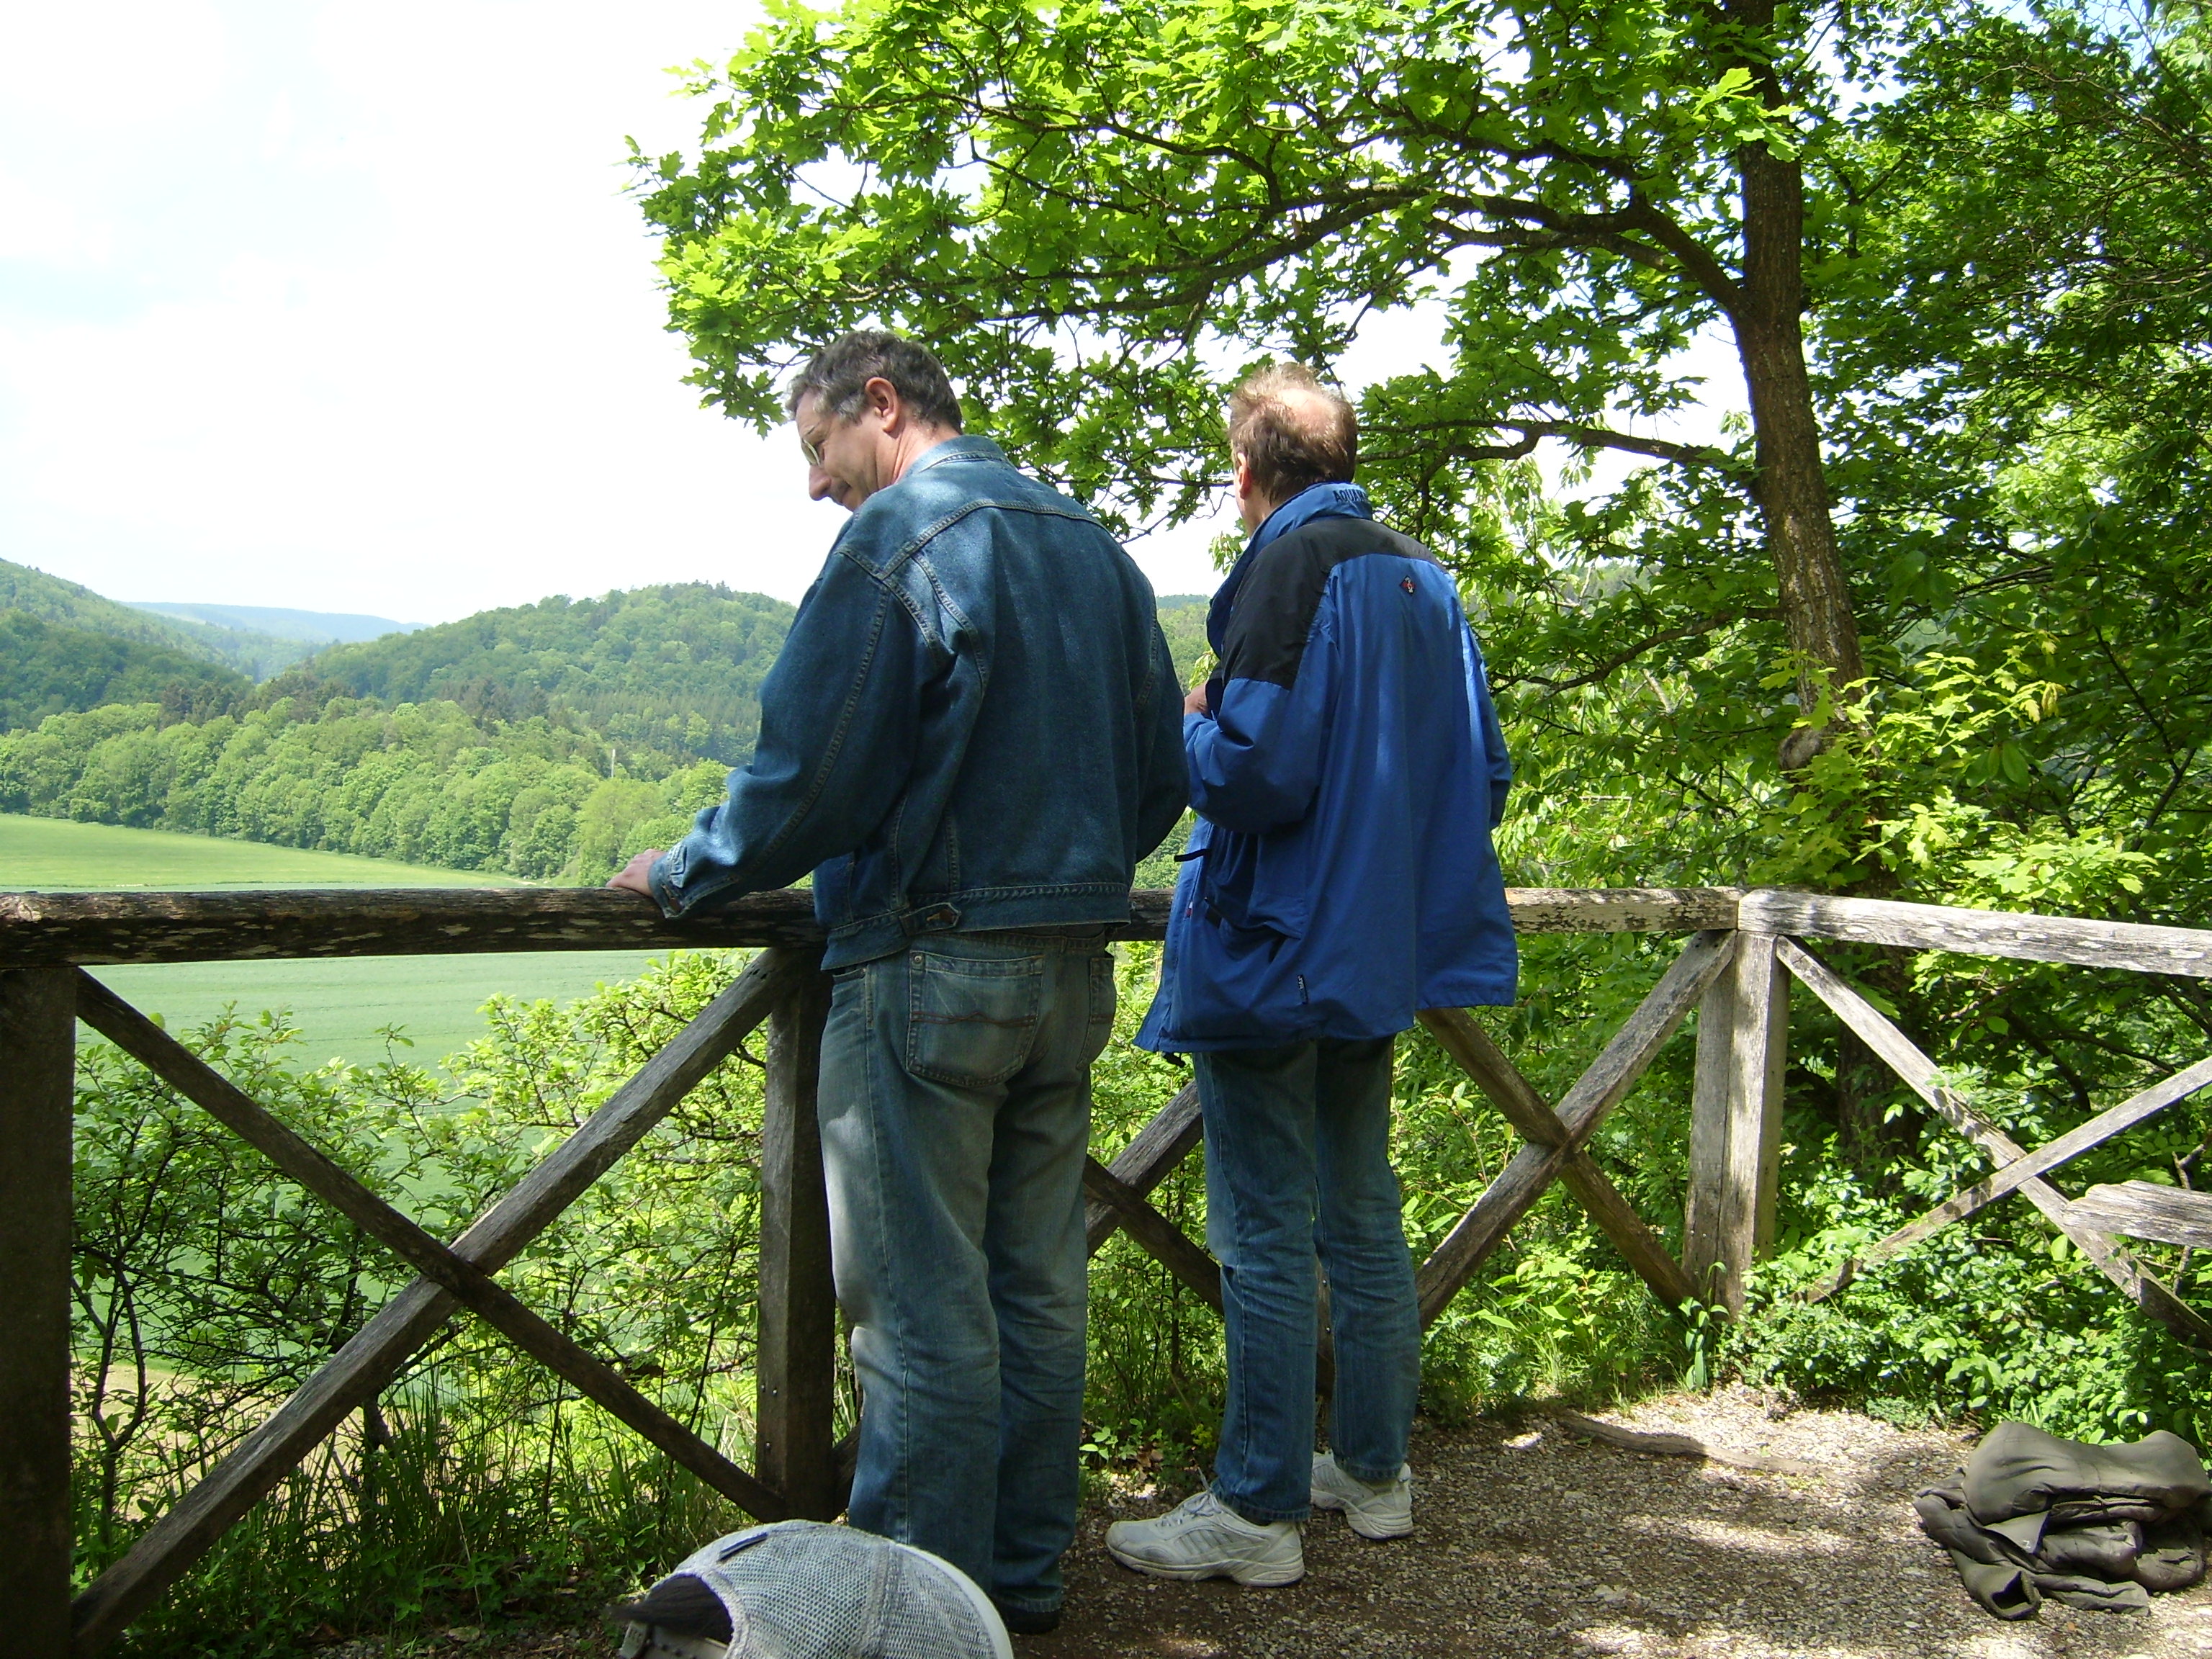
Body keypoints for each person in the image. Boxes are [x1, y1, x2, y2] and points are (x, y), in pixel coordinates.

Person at [608, 331, 1187, 1632]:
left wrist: (687, 871)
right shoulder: (1097, 550)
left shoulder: (898, 539)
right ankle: (1015, 1590)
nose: (814, 482)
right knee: (1037, 1291)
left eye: (818, 447)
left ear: (881, 405)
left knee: (919, 1316)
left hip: (927, 964)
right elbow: (1162, 772)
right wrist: (1069, 876)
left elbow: (810, 776)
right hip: (1070, 971)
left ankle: (914, 1624)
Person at [1105, 363, 1516, 1586]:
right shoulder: (1424, 577)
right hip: (1375, 949)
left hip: (1270, 948)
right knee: (1362, 1211)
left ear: (1246, 470)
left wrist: (1190, 717)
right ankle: (1375, 1474)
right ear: (1343, 459)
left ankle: (1257, 1509)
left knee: (1266, 1231)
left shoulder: (1287, 566)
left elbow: (1253, 774)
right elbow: (1485, 772)